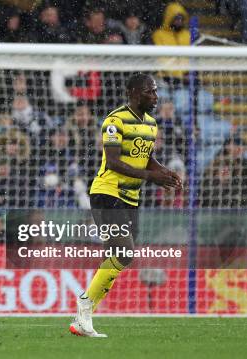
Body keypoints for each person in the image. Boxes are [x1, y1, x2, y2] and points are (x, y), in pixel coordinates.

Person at [69, 73, 182, 337]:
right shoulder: (114, 121)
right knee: (124, 252)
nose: (155, 96)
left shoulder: (151, 124)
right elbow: (113, 162)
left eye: (155, 92)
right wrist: (151, 176)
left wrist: (164, 173)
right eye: (149, 92)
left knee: (121, 256)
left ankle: (83, 317)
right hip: (107, 193)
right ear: (132, 92)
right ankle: (85, 306)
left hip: (131, 198)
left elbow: (147, 159)